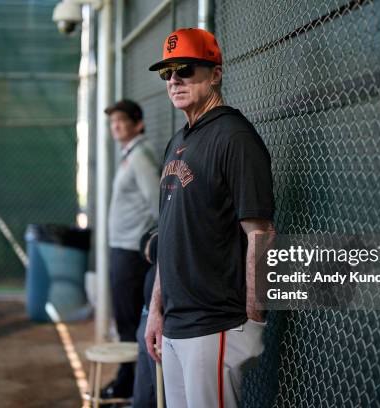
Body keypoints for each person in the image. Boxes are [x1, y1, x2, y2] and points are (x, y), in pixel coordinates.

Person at [145, 28, 276, 408]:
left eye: (185, 69)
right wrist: (157, 310)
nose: (174, 80)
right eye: (167, 72)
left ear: (215, 74)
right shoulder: (179, 140)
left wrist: (253, 319)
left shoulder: (235, 137)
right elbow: (169, 235)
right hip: (175, 322)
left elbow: (261, 233)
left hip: (214, 324)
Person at [103, 100, 160, 400]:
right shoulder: (130, 154)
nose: (116, 126)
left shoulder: (140, 156)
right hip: (123, 250)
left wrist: (147, 242)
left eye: (122, 120)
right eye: (112, 121)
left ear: (138, 124)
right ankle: (127, 384)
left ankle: (127, 388)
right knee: (126, 322)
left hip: (131, 253)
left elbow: (158, 204)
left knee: (128, 323)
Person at [133, 226, 159, 408]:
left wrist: (256, 317)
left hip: (168, 322)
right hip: (149, 318)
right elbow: (147, 246)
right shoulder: (171, 200)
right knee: (144, 397)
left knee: (163, 397)